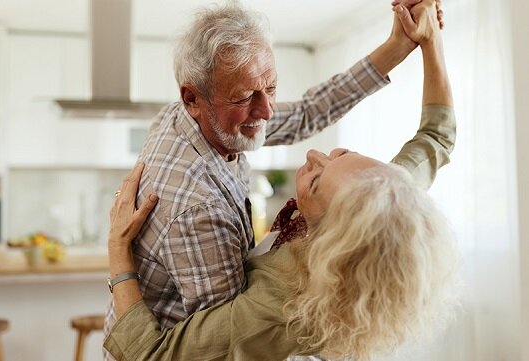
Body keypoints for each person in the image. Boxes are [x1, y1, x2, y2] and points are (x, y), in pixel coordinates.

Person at [103, 0, 458, 360]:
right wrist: (422, 42)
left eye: (271, 88)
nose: (268, 111)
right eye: (341, 153)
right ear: (192, 99)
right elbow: (436, 137)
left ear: (332, 231)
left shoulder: (273, 302)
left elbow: (198, 352)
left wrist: (117, 253)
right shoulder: (380, 197)